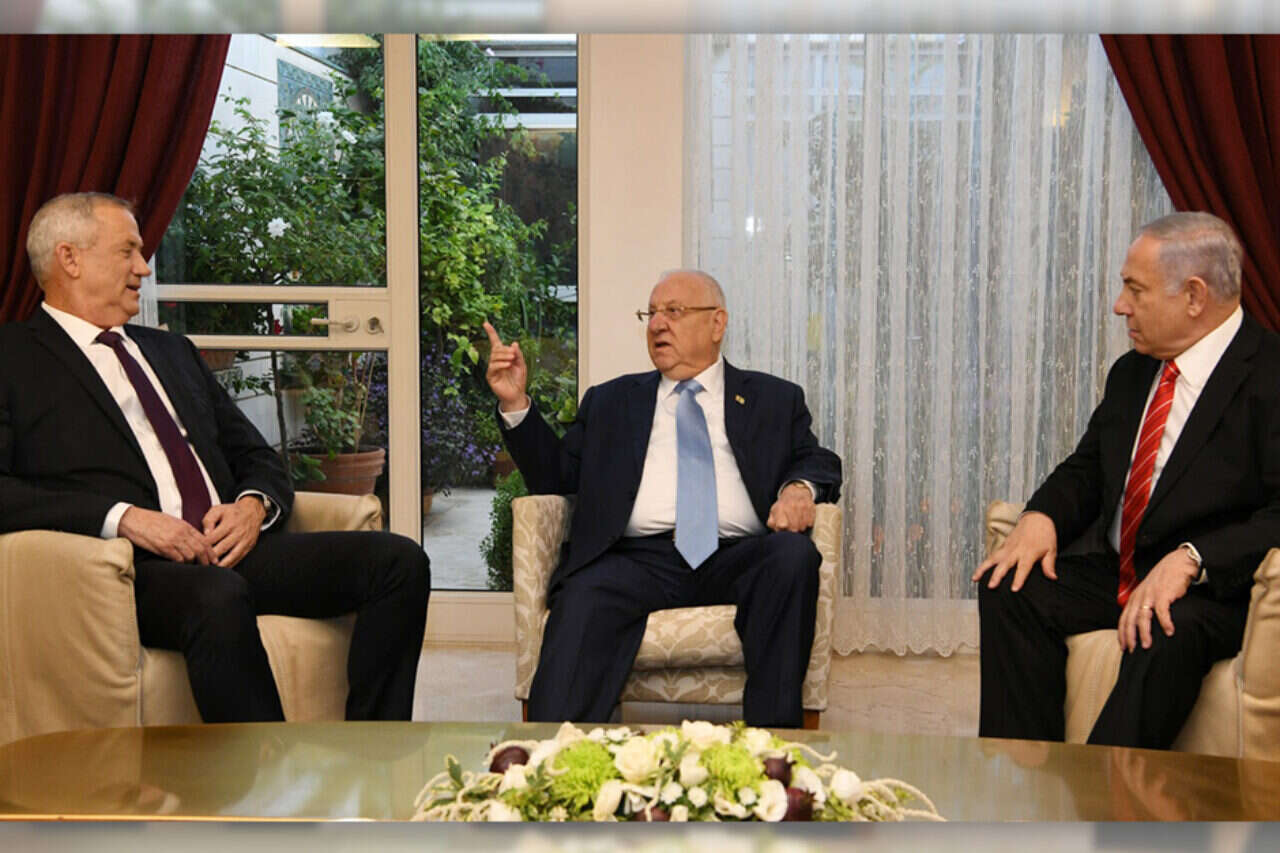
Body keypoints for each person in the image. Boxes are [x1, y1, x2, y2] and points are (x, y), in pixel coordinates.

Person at [0, 192, 429, 723]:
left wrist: (252, 506)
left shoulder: (171, 351)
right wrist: (124, 519)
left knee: (399, 563)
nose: (143, 267)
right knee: (217, 596)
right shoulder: (14, 358)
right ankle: (264, 773)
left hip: (228, 552)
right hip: (126, 572)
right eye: (128, 251)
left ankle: (373, 752)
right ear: (69, 258)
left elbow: (256, 453)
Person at [973, 211, 1280, 749]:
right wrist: (1041, 517)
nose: (1120, 306)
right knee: (1009, 586)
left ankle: (1104, 795)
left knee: (1163, 628)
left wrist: (1192, 559)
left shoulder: (1270, 376)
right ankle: (1028, 776)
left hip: (1211, 591)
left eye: (1135, 290)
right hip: (1121, 571)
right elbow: (1089, 467)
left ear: (1194, 295)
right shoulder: (1134, 371)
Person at [484, 269, 842, 728]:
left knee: (792, 557)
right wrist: (516, 405)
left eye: (674, 311)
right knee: (582, 595)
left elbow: (817, 459)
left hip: (737, 555)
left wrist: (798, 489)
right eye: (651, 313)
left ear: (717, 323)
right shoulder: (611, 401)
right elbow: (557, 476)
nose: (656, 325)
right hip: (635, 560)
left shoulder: (774, 398)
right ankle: (552, 752)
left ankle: (771, 746)